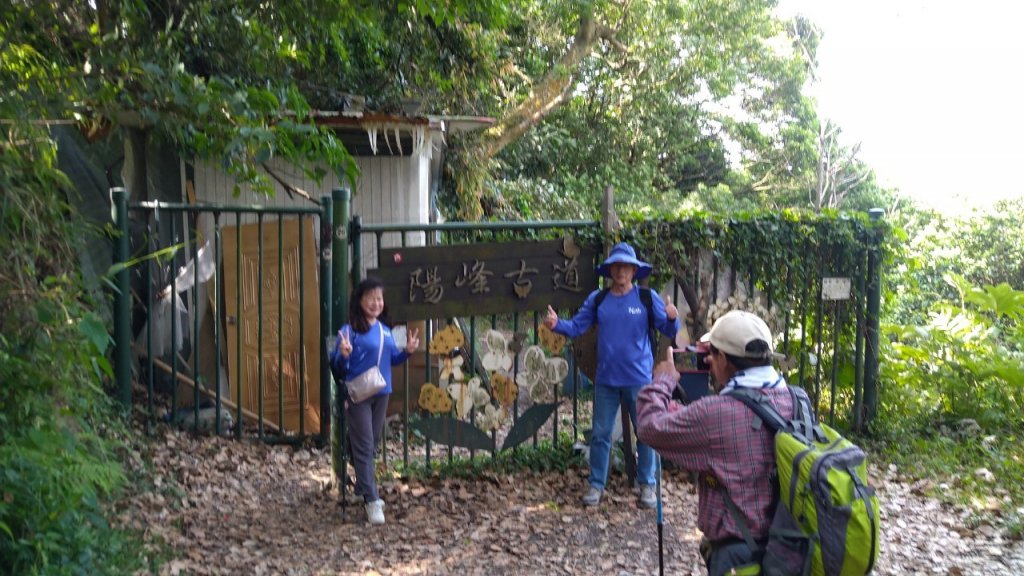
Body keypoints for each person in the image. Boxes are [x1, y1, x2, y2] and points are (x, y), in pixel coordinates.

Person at [636, 310, 797, 576]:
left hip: (738, 554)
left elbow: (650, 427)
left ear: (723, 359)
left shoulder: (716, 413)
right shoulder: (796, 400)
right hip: (790, 549)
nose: (708, 359)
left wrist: (663, 380)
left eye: (712, 353)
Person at [543, 242, 680, 508]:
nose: (621, 271)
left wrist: (673, 318)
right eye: (616, 266)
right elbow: (577, 326)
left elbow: (668, 328)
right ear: (610, 270)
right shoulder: (599, 299)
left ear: (633, 270)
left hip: (639, 378)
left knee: (646, 433)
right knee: (601, 434)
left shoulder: (645, 297)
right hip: (606, 379)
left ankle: (647, 486)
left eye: (626, 266)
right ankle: (596, 486)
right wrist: (557, 324)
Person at [329, 277, 419, 525]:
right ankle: (371, 500)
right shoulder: (349, 331)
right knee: (365, 444)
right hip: (358, 395)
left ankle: (361, 484)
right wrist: (344, 354)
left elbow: (392, 361)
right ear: (360, 301)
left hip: (381, 393)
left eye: (379, 299)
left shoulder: (385, 330)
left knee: (368, 444)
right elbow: (339, 367)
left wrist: (407, 352)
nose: (375, 303)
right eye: (370, 298)